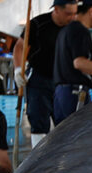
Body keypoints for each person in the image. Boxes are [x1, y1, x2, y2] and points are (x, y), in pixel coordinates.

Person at [13, 0, 77, 147]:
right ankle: (39, 161)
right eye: (68, 14)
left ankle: (66, 161)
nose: (72, 17)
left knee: (67, 123)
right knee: (38, 122)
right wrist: (18, 70)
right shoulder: (37, 24)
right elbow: (20, 47)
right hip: (39, 79)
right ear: (56, 9)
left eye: (75, 13)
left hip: (64, 80)